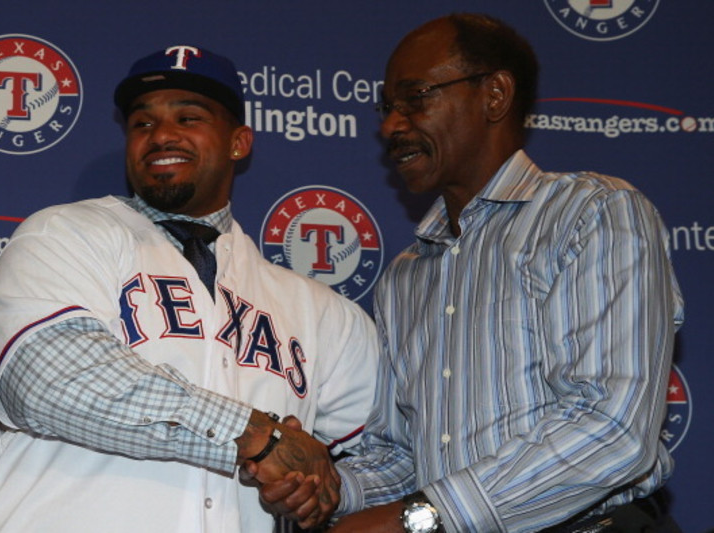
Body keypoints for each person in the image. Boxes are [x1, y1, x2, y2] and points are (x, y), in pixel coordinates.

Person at [255, 12, 684, 533]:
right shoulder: (405, 276)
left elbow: (613, 430)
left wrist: (419, 517)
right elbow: (403, 455)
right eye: (387, 107)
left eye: (416, 98)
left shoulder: (592, 213)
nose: (392, 125)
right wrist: (327, 484)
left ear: (495, 95)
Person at [0, 43, 378, 533]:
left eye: (189, 118)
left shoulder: (321, 311)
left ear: (239, 142)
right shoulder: (63, 235)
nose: (160, 135)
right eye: (142, 123)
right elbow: (48, 378)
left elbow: (385, 455)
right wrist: (254, 436)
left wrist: (319, 489)